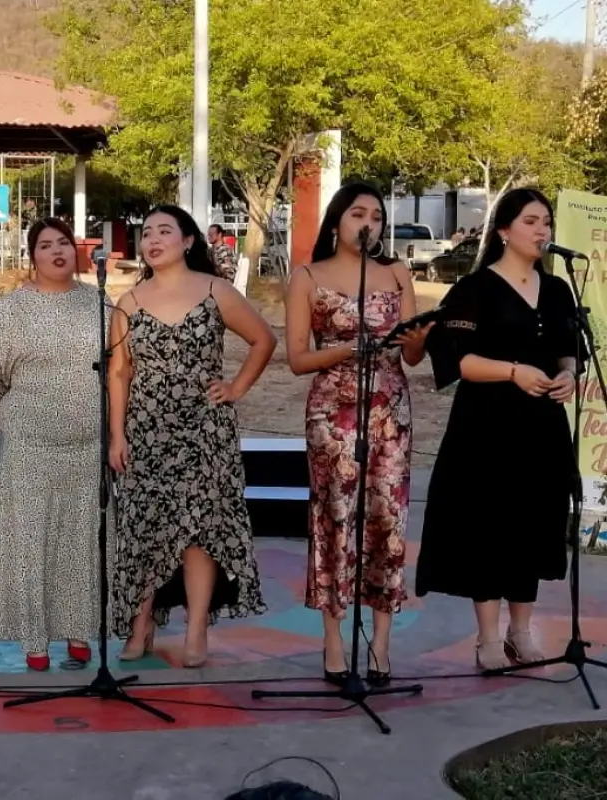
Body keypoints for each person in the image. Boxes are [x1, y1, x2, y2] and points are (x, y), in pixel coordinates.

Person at [416, 188, 578, 670]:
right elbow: (454, 360)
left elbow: (568, 346)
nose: (542, 230)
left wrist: (568, 374)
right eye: (531, 221)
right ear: (504, 230)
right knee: (488, 527)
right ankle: (487, 638)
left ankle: (521, 631)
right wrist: (513, 371)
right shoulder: (475, 289)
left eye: (546, 222)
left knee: (532, 523)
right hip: (486, 426)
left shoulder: (556, 290)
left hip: (542, 425)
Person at [108, 205, 275, 666]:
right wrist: (117, 434)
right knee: (143, 527)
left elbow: (263, 339)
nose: (154, 239)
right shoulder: (130, 301)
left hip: (205, 430)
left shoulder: (216, 290)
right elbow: (119, 373)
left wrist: (236, 387)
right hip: (147, 429)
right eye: (147, 233)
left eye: (165, 231)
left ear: (187, 242)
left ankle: (196, 627)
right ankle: (141, 623)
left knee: (200, 529)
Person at [284, 182, 431, 686]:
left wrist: (417, 341)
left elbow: (413, 356)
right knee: (335, 520)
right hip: (332, 412)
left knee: (386, 520)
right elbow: (298, 359)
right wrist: (347, 352)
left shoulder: (396, 272)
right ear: (337, 221)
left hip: (390, 408)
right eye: (357, 214)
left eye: (376, 214)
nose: (368, 223)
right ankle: (333, 641)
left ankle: (382, 646)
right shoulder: (306, 275)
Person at [0, 217, 105, 671]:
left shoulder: (100, 303)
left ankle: (77, 629)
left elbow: (117, 366)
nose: (57, 251)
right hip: (29, 443)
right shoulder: (11, 310)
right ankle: (34, 638)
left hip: (88, 443)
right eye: (45, 245)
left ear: (76, 250)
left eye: (64, 242)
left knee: (79, 537)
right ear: (32, 256)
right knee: (31, 538)